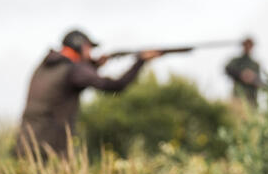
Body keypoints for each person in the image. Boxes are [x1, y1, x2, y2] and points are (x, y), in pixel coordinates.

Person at [16, 29, 162, 157]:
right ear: (80, 46)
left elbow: (71, 79)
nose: (90, 52)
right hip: (52, 147)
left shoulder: (46, 65)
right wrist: (140, 61)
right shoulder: (75, 69)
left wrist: (94, 65)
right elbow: (115, 85)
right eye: (89, 48)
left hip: (26, 141)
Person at [224, 37, 263, 106]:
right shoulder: (237, 61)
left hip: (251, 100)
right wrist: (241, 74)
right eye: (246, 45)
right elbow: (227, 69)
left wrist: (252, 77)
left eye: (249, 45)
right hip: (238, 98)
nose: (248, 47)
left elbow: (259, 81)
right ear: (243, 46)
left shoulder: (255, 65)